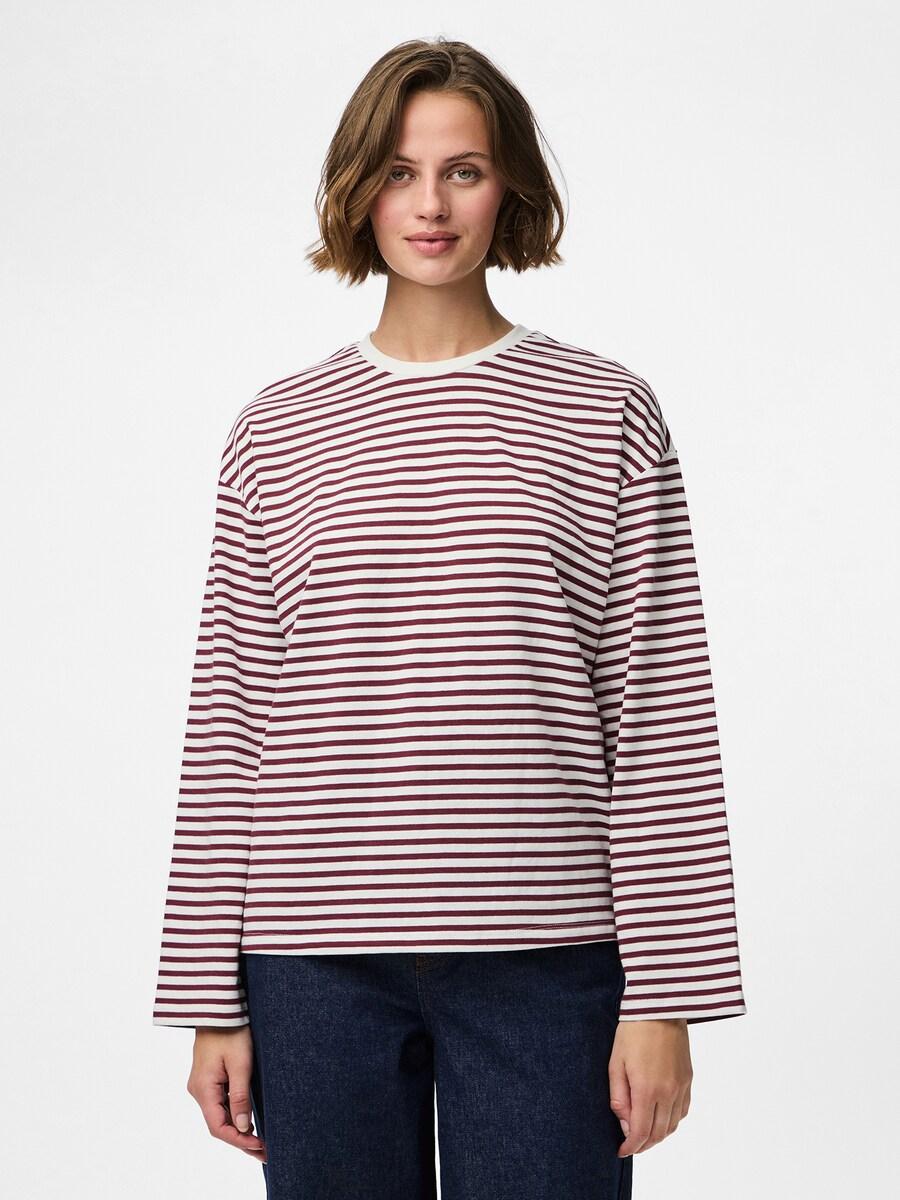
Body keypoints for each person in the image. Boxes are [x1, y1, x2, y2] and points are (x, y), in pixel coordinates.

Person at [151, 36, 747, 1200]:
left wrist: (667, 997)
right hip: (313, 962)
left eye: (463, 171)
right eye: (399, 172)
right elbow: (231, 718)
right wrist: (206, 998)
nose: (429, 206)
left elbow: (659, 712)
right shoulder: (277, 429)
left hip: (548, 957)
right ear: (357, 189)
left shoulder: (605, 411)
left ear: (508, 184)